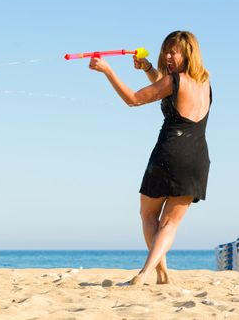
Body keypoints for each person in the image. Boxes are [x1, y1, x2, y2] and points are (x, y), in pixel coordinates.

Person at [89, 31, 211, 285]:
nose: (167, 56)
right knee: (170, 223)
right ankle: (160, 274)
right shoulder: (205, 83)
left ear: (187, 53)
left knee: (148, 216)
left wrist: (108, 71)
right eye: (165, 50)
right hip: (197, 159)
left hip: (169, 153)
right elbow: (167, 89)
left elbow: (134, 100)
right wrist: (147, 68)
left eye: (173, 51)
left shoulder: (174, 80)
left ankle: (145, 273)